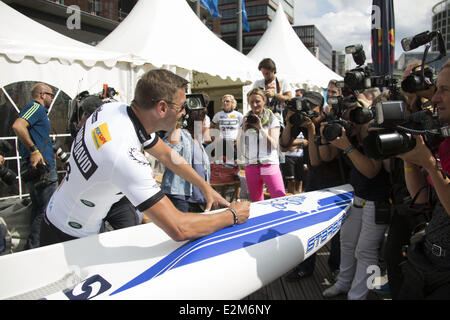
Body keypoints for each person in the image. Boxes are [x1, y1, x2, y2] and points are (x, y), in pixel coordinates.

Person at [39, 69, 250, 246]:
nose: (185, 113)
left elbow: (167, 155)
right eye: (181, 107)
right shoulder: (123, 155)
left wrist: (205, 187)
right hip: (68, 236)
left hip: (62, 214)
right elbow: (179, 228)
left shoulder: (114, 109)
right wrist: (232, 215)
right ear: (162, 108)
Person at [320, 100, 392, 300]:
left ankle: (358, 295)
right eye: (350, 115)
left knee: (366, 250)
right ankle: (343, 283)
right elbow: (326, 157)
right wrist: (326, 136)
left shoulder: (377, 134)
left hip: (377, 200)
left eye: (358, 114)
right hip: (356, 196)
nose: (354, 120)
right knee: (347, 243)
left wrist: (348, 147)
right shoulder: (349, 133)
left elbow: (371, 171)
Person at [396, 60, 450, 299]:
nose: (435, 99)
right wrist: (409, 159)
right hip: (428, 262)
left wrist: (428, 163)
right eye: (436, 89)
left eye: (445, 90)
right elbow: (423, 198)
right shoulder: (445, 141)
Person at [281, 90, 348, 280]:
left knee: (337, 226)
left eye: (312, 107)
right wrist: (289, 122)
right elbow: (284, 144)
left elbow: (321, 159)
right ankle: (306, 266)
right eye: (306, 106)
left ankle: (336, 267)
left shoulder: (331, 122)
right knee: (308, 222)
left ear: (321, 108)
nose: (309, 110)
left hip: (336, 178)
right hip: (314, 177)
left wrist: (311, 131)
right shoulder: (303, 120)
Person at [12, 83, 58, 249]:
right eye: (51, 95)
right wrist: (34, 151)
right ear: (42, 94)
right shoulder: (35, 107)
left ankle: (35, 247)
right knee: (46, 212)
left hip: (40, 168)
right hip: (40, 169)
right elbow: (18, 125)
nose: (52, 99)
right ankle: (36, 248)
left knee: (40, 210)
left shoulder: (41, 113)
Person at [161, 107, 210, 213]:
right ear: (197, 122)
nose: (206, 125)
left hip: (198, 198)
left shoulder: (197, 140)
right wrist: (178, 122)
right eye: (204, 122)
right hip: (180, 197)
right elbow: (170, 152)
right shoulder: (180, 134)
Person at [241, 88, 285, 202]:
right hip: (251, 165)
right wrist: (244, 130)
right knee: (256, 203)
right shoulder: (246, 119)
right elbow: (241, 146)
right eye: (251, 102)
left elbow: (273, 145)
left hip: (269, 163)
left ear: (264, 101)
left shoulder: (272, 118)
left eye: (258, 101)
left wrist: (260, 128)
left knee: (279, 198)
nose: (254, 105)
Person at [252, 58, 292, 124]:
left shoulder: (282, 81)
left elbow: (289, 99)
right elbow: (251, 98)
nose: (265, 76)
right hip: (261, 119)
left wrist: (275, 95)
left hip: (277, 119)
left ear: (273, 70)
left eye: (267, 73)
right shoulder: (258, 83)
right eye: (263, 73)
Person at [211, 94, 243, 164]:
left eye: (227, 101)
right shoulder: (218, 114)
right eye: (223, 101)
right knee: (221, 164)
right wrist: (214, 138)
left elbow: (242, 129)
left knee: (235, 163)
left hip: (233, 142)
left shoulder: (239, 115)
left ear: (232, 102)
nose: (225, 103)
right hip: (221, 142)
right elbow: (211, 126)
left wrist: (238, 139)